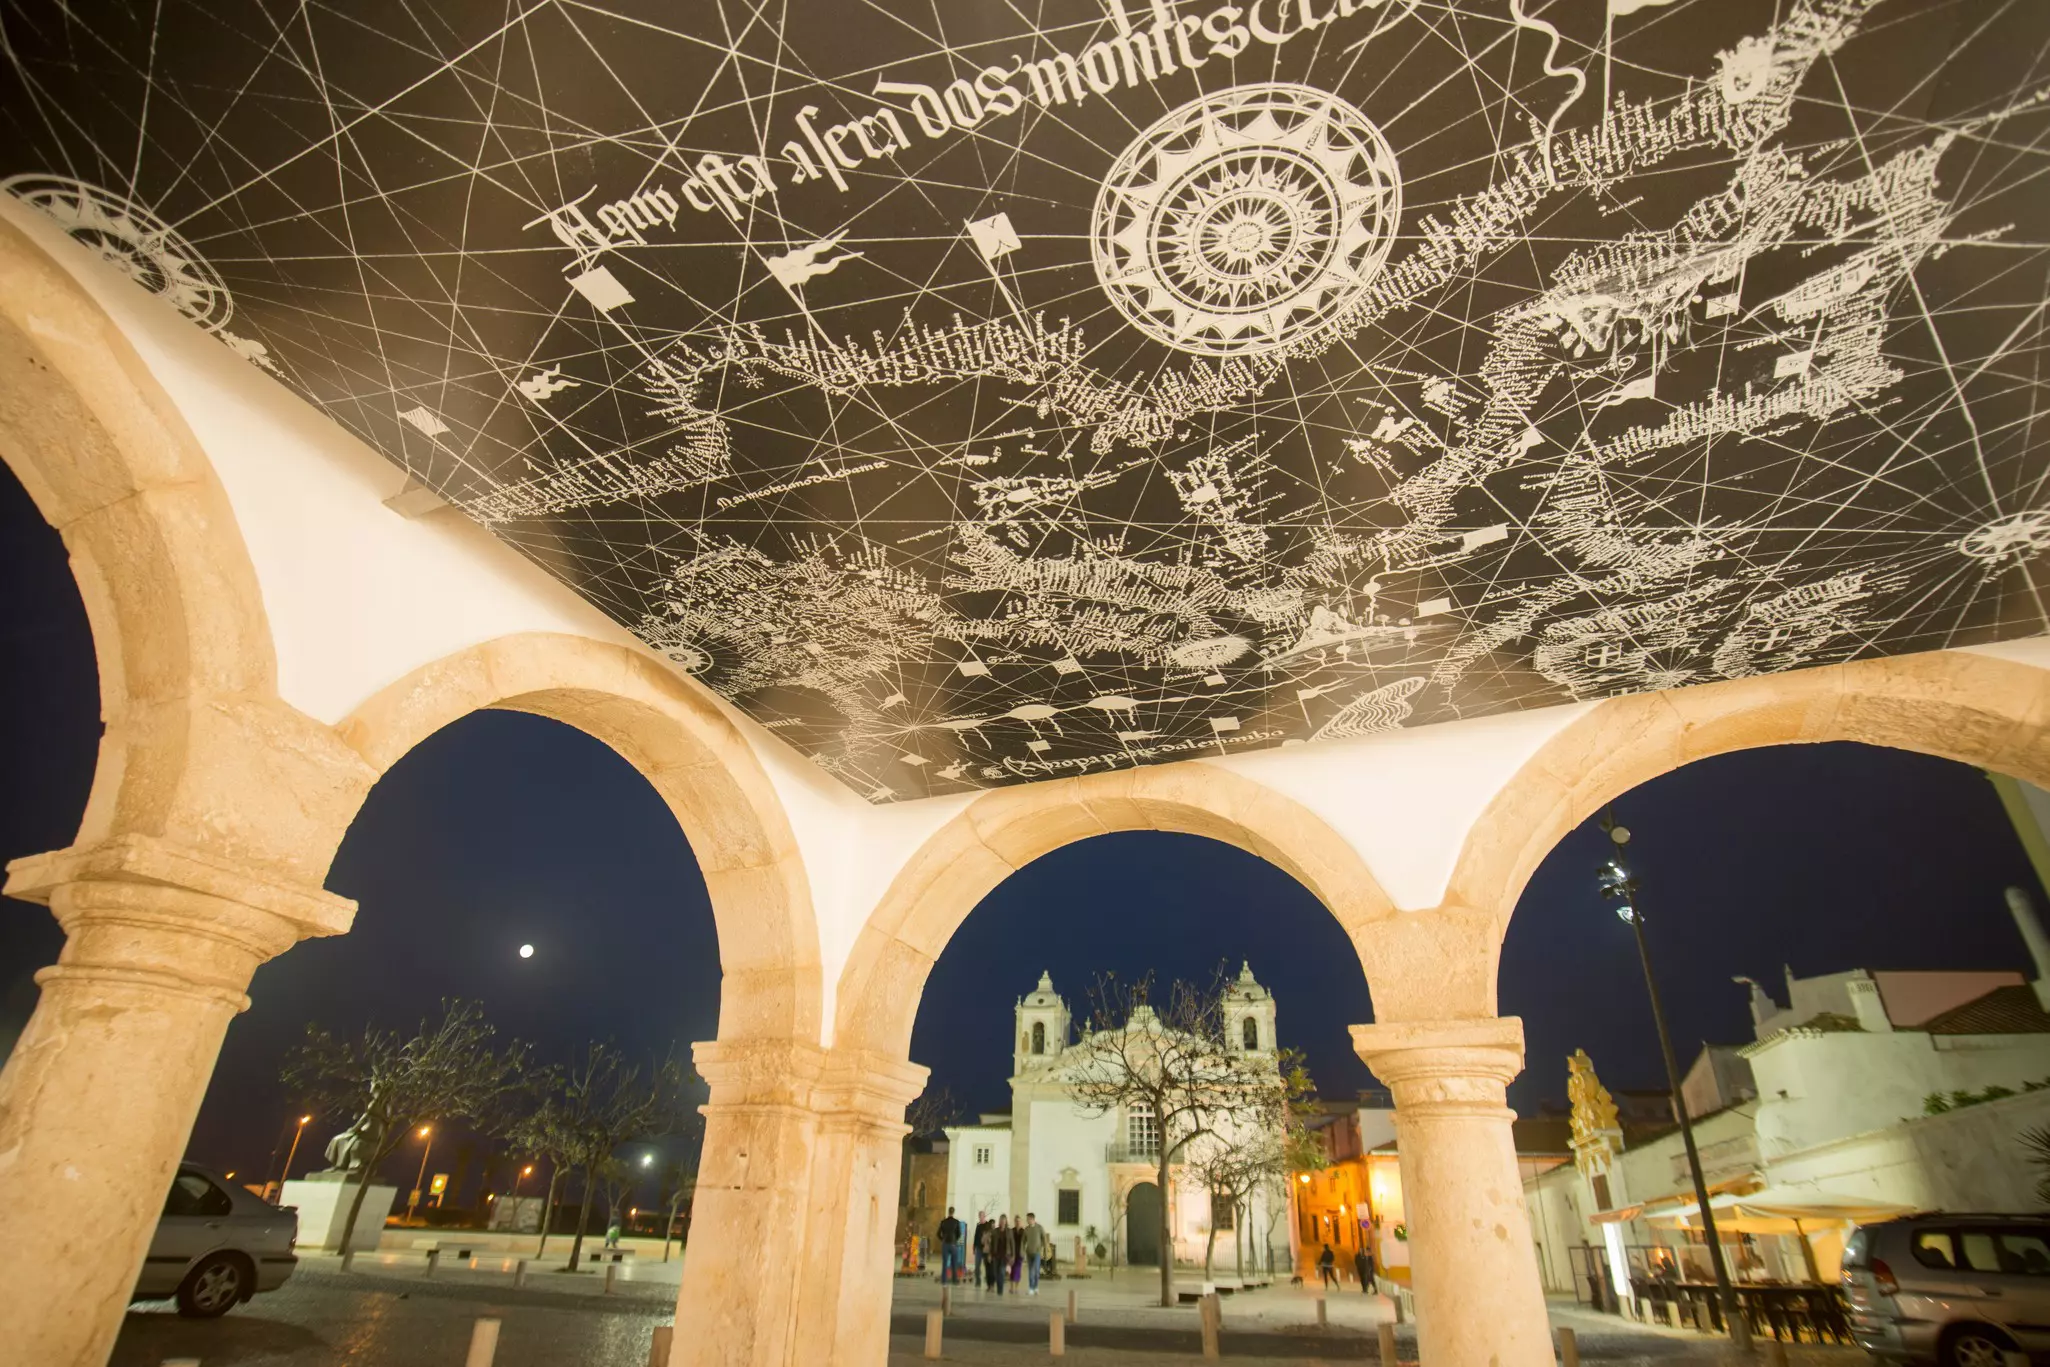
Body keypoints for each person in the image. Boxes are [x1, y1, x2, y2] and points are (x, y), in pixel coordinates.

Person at [1021, 1212, 1047, 1294]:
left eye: (1028, 1219)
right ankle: (1031, 1288)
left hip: (1037, 1253)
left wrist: (1044, 1250)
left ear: (1032, 1219)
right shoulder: (1026, 1229)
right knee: (1030, 1271)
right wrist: (1023, 1251)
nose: (1027, 1221)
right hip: (1029, 1253)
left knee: (1036, 1270)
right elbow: (1023, 1241)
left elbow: (1044, 1239)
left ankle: (1036, 1287)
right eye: (1027, 1219)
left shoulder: (1039, 1228)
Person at [937, 1207, 964, 1284]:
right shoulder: (956, 1222)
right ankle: (954, 1280)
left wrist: (942, 1239)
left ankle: (944, 1280)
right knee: (954, 1263)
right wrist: (955, 1240)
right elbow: (959, 1234)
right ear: (953, 1212)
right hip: (953, 1245)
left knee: (945, 1262)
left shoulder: (943, 1222)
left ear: (948, 1212)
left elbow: (938, 1234)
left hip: (945, 1244)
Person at [971, 1214, 991, 1289]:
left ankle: (987, 1280)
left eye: (982, 1216)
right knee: (977, 1265)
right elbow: (976, 1236)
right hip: (978, 1248)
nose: (980, 1217)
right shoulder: (978, 1225)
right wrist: (974, 1247)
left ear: (984, 1216)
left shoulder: (988, 1225)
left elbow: (990, 1236)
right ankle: (978, 1281)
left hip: (985, 1249)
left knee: (987, 1266)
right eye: (979, 1216)